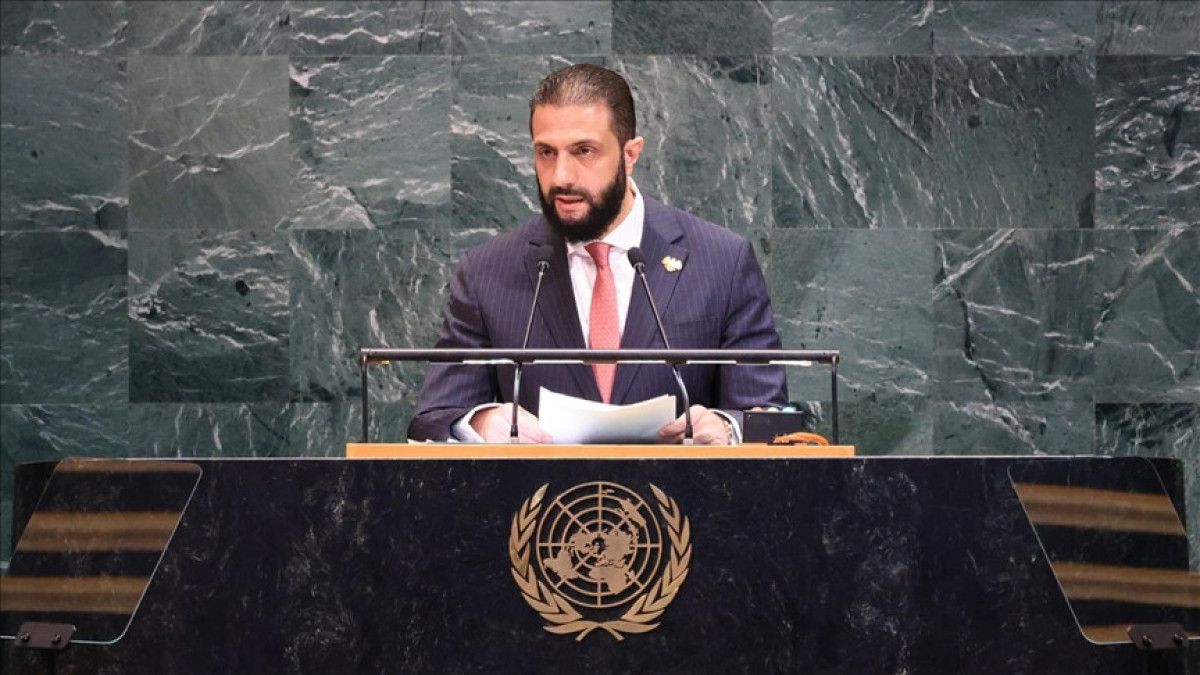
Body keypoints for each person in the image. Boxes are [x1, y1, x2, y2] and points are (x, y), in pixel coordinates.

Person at [407, 64, 786, 444]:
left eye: (584, 151)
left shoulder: (722, 261)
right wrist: (481, 422)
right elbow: (434, 418)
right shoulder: (486, 272)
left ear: (630, 154)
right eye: (546, 153)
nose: (561, 176)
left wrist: (726, 428)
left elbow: (768, 414)